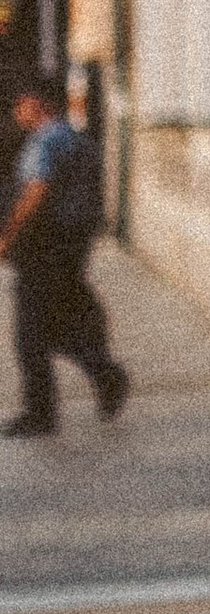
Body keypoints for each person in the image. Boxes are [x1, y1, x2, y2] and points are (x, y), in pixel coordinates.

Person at [3, 77, 125, 441]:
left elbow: (37, 190)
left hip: (46, 246)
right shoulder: (77, 138)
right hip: (70, 245)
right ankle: (105, 375)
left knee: (30, 332)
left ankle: (41, 413)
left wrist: (8, 236)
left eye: (21, 104)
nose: (17, 111)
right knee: (53, 327)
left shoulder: (47, 140)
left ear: (38, 104)